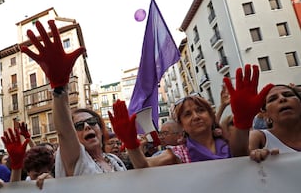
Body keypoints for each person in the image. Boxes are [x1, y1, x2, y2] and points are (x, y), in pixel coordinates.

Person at [109, 64, 273, 168]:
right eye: (187, 114)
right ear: (181, 125)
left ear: (210, 116)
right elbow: (144, 166)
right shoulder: (178, 154)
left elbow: (242, 152)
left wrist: (244, 123)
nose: (195, 116)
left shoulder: (230, 143)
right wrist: (131, 144)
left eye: (200, 110)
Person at [19, 20, 126, 177]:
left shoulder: (114, 160)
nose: (87, 128)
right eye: (78, 126)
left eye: (91, 122)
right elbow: (64, 131)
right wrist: (59, 85)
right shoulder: (77, 159)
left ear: (101, 129)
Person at [249, 84, 301, 162]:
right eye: (272, 99)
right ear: (265, 113)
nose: (282, 98)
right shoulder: (259, 137)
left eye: (288, 95)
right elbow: (241, 155)